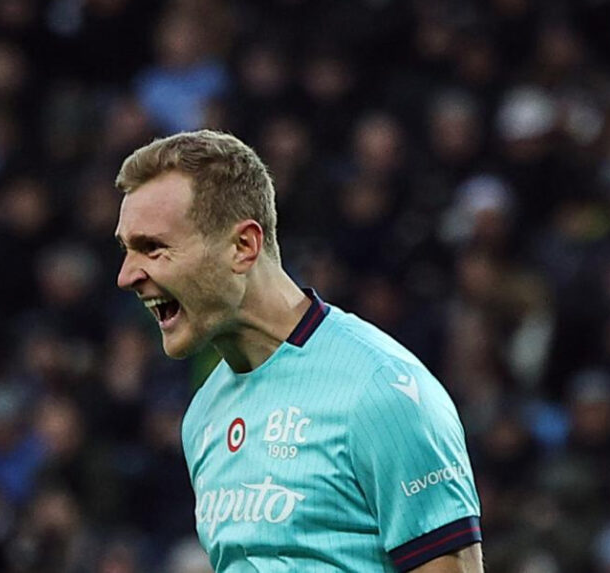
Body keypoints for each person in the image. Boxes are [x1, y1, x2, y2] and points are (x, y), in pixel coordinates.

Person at [113, 130, 483, 572]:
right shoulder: (202, 416)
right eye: (126, 250)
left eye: (153, 248)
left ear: (243, 246)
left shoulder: (381, 390)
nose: (126, 275)